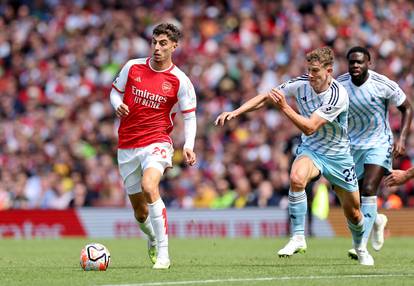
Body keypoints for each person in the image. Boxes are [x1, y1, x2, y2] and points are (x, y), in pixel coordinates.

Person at [215, 47, 373, 265]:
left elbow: (310, 127)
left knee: (354, 212)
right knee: (296, 178)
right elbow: (266, 97)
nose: (311, 75)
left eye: (316, 71)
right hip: (312, 150)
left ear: (329, 71)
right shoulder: (301, 83)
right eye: (309, 69)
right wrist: (236, 112)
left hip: (338, 155)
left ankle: (361, 247)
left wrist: (285, 108)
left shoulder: (338, 95)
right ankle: (298, 237)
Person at [110, 23, 197, 270]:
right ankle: (151, 237)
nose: (157, 48)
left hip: (157, 142)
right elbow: (114, 92)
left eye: (163, 44)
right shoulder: (133, 66)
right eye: (155, 42)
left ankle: (164, 254)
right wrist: (116, 105)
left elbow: (189, 116)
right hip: (127, 145)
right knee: (140, 212)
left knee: (150, 186)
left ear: (174, 46)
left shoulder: (180, 80)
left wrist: (188, 145)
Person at [337, 46, 412, 259]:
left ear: (369, 63)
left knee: (369, 188)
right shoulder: (339, 85)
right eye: (352, 62)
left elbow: (407, 107)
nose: (355, 66)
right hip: (350, 146)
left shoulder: (382, 84)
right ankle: (377, 219)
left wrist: (402, 138)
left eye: (360, 62)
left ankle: (360, 245)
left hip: (379, 143)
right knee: (354, 200)